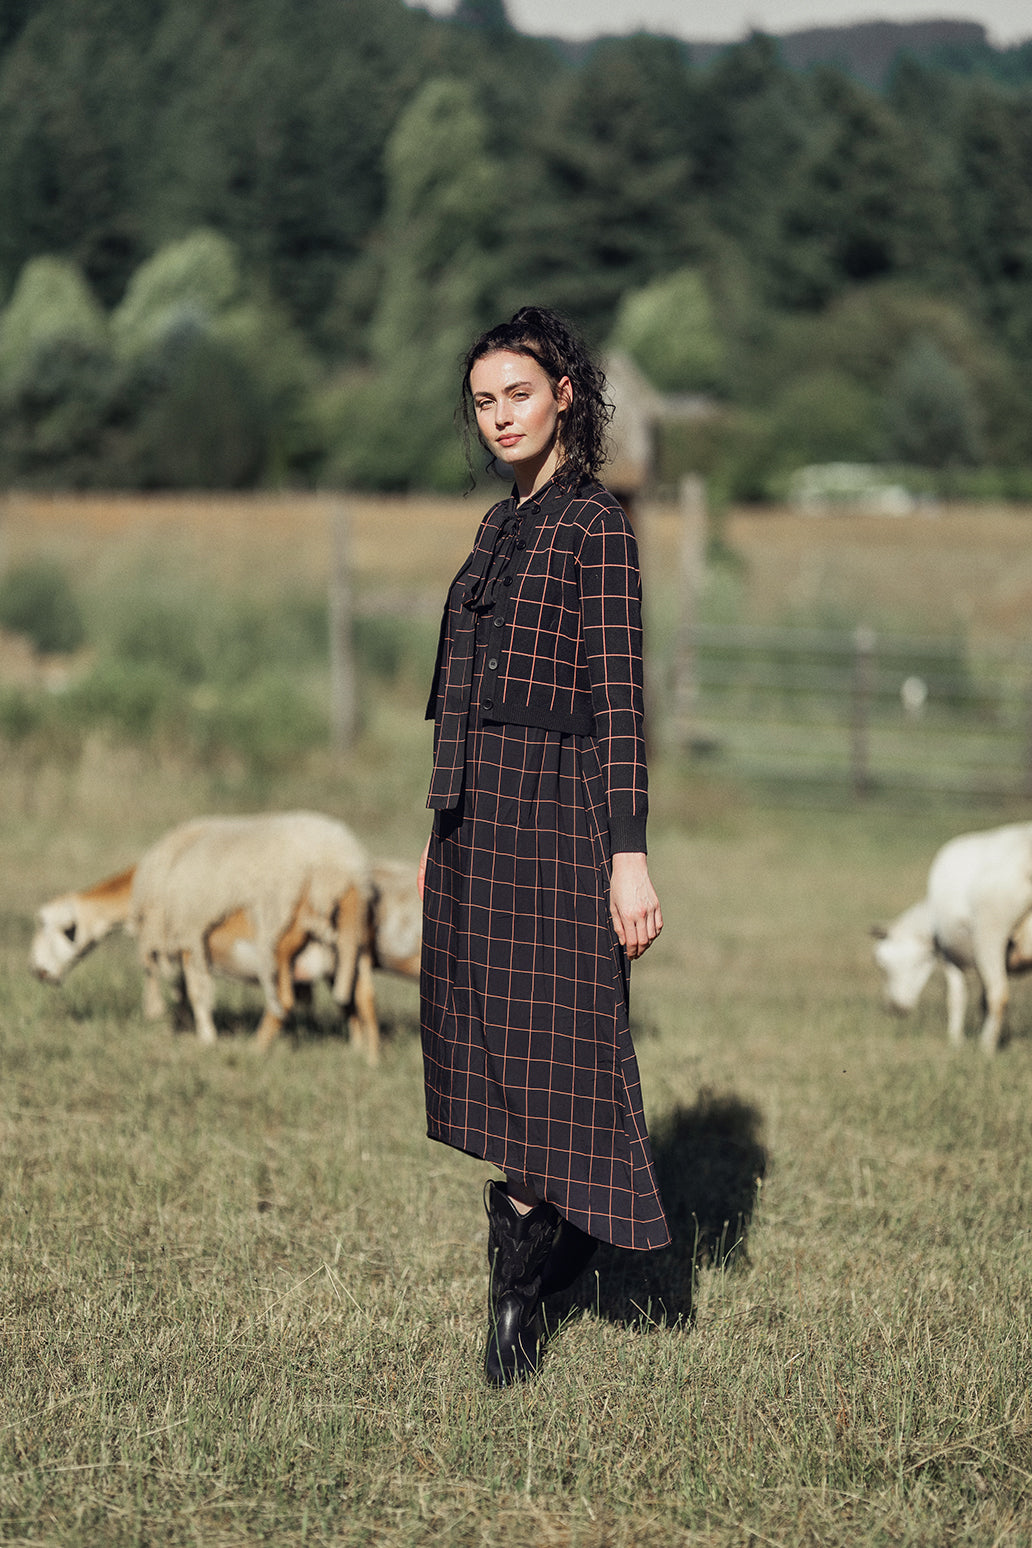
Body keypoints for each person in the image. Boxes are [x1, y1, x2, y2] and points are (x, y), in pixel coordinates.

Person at [417, 305, 669, 1387]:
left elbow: (620, 703)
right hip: (480, 821)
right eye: (483, 401)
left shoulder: (595, 527)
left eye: (517, 393)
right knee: (500, 1062)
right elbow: (459, 700)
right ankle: (548, 1253)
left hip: (562, 820)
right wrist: (439, 830)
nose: (500, 417)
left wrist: (629, 855)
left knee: (549, 1058)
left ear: (565, 392)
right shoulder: (495, 527)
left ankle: (518, 1306)